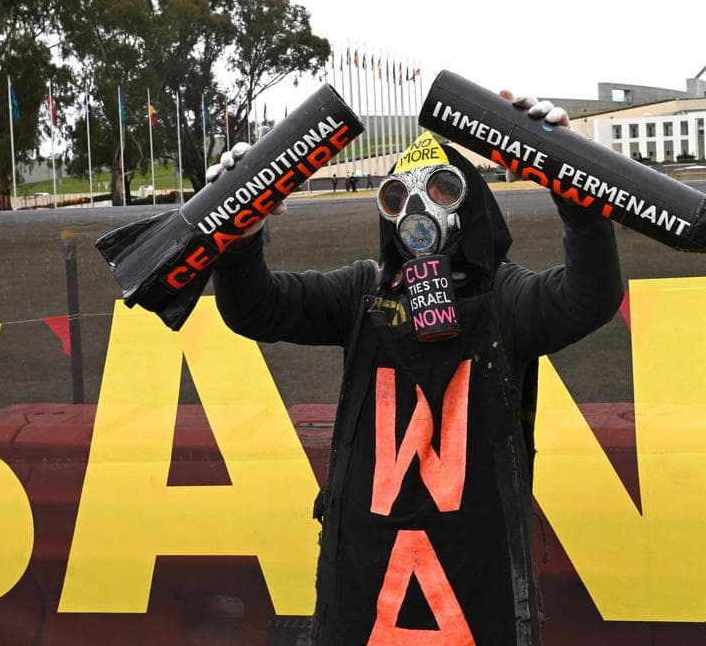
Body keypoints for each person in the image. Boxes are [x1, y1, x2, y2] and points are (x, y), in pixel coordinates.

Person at [205, 92, 623, 645]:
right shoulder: (362, 294)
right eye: (397, 197)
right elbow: (255, 308)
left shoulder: (505, 297)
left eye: (442, 190)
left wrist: (574, 182)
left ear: (468, 203)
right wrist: (240, 234)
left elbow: (589, 297)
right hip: (371, 593)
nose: (416, 212)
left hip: (475, 596)